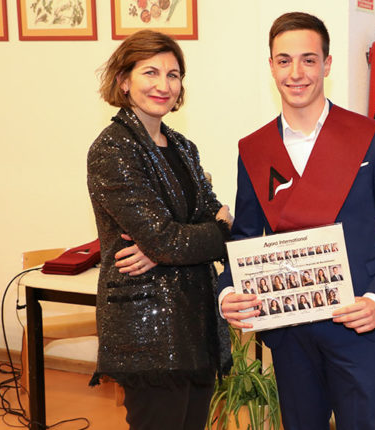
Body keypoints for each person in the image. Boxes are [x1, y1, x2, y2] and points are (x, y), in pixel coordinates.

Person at [218, 12, 375, 430]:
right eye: (284, 60)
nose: (296, 73)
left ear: (326, 65)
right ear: (271, 66)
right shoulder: (253, 149)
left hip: (355, 318)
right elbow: (245, 237)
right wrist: (228, 291)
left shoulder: (368, 136)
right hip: (287, 326)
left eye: (308, 60)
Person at [86, 30, 232, 430]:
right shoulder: (112, 149)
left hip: (196, 322)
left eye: (173, 74)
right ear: (123, 80)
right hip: (149, 331)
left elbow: (196, 226)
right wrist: (201, 235)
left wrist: (172, 243)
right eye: (150, 72)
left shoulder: (182, 146)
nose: (163, 85)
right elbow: (170, 239)